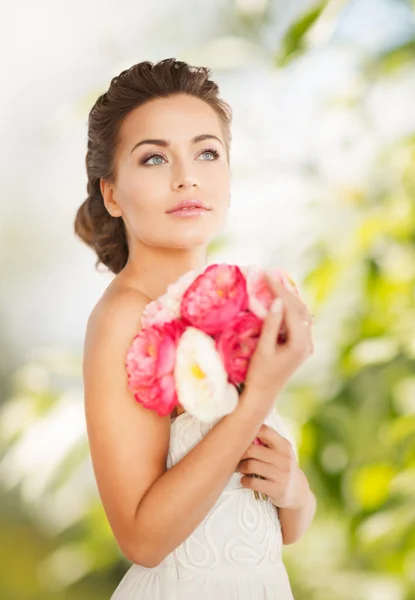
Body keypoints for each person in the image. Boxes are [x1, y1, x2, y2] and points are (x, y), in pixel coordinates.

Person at [74, 58, 317, 599]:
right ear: (112, 194)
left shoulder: (241, 304)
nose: (187, 176)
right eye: (155, 157)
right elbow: (142, 540)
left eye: (207, 152)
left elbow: (273, 527)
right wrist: (260, 395)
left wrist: (296, 492)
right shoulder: (122, 317)